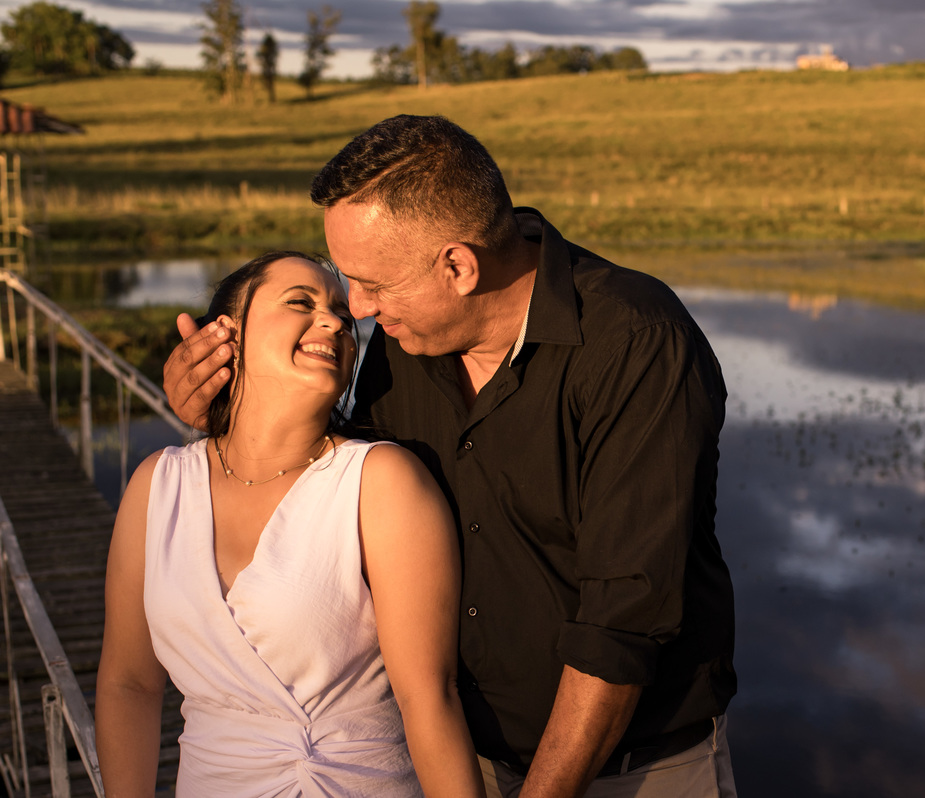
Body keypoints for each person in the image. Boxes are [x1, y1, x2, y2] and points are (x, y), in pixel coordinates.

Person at [165, 116, 737, 798]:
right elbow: (338, 476)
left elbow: (620, 626)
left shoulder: (638, 344)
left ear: (459, 266)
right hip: (450, 763)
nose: (359, 309)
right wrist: (222, 410)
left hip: (637, 771)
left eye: (372, 283)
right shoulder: (410, 338)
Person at [98, 252, 486, 797]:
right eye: (301, 303)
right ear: (226, 335)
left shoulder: (380, 481)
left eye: (343, 317)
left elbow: (430, 700)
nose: (334, 322)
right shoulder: (158, 485)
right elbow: (128, 683)